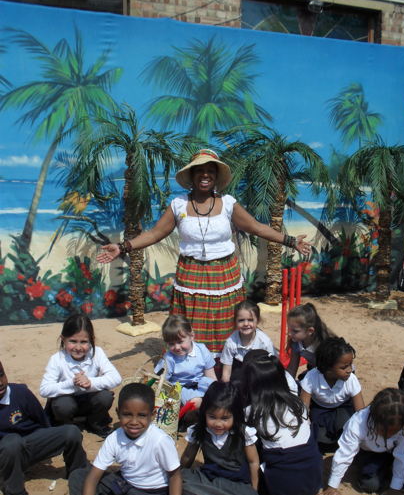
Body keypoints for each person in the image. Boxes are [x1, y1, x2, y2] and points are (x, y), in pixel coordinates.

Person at [97, 148, 311, 354]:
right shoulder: (178, 204)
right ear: (192, 175)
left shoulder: (228, 204)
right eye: (200, 170)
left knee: (225, 319)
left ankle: (226, 361)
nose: (205, 175)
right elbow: (154, 234)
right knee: (192, 320)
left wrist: (291, 241)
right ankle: (192, 361)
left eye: (210, 170)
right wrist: (122, 247)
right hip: (190, 274)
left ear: (216, 176)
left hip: (224, 273)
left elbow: (256, 227)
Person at [68, 382, 198, 495]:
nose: (134, 422)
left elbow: (175, 476)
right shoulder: (114, 438)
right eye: (127, 415)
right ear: (118, 413)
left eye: (142, 415)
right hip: (124, 484)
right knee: (79, 476)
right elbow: (93, 477)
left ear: (152, 415)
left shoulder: (160, 441)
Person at [241, 350, 322, 495]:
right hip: (313, 480)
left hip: (281, 492)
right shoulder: (297, 403)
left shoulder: (252, 411)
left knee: (245, 445)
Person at [0, 360, 87, 495]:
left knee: (70, 432)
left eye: (1, 375)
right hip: (5, 455)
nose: (0, 382)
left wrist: (46, 442)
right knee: (11, 442)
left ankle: (78, 473)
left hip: (28, 446)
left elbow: (41, 420)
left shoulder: (20, 393)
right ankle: (15, 492)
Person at [319, 388, 404, 495]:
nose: (389, 435)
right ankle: (386, 469)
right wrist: (333, 485)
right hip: (369, 452)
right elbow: (345, 454)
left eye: (394, 431)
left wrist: (396, 487)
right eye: (385, 431)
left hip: (392, 450)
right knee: (370, 485)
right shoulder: (358, 422)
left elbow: (403, 456)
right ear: (374, 419)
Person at [180, 381, 262, 495]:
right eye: (212, 417)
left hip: (235, 484)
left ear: (235, 415)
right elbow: (188, 456)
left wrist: (254, 490)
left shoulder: (244, 433)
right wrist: (179, 476)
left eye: (225, 418)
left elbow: (253, 462)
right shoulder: (198, 430)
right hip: (208, 478)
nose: (218, 424)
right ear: (205, 413)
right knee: (178, 484)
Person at [40, 314, 121, 438]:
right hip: (66, 404)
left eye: (84, 342)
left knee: (105, 396)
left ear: (91, 340)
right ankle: (67, 428)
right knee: (63, 405)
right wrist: (72, 383)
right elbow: (44, 390)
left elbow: (116, 378)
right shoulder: (57, 360)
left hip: (88, 401)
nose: (78, 347)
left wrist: (91, 383)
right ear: (63, 339)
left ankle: (95, 423)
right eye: (72, 341)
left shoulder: (97, 353)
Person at [299, 337, 365, 450]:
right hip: (319, 409)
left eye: (350, 364)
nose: (349, 370)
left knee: (348, 427)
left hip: (342, 407)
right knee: (317, 436)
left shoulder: (351, 379)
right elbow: (303, 410)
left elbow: (361, 413)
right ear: (327, 368)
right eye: (344, 367)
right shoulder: (311, 377)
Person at [155, 314, 217, 407]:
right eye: (171, 344)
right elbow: (161, 382)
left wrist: (216, 390)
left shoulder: (201, 349)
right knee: (195, 402)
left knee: (217, 391)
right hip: (180, 389)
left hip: (200, 385)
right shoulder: (169, 358)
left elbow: (211, 375)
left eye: (180, 342)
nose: (177, 347)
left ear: (191, 336)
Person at [220, 300, 276, 383]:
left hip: (259, 378)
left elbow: (272, 368)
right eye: (241, 320)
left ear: (258, 320)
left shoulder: (264, 342)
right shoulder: (231, 342)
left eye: (250, 320)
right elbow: (226, 374)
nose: (246, 324)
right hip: (238, 379)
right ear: (235, 321)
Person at [286, 303, 334, 379]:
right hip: (316, 370)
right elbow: (292, 368)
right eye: (289, 329)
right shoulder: (296, 342)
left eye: (295, 331)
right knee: (302, 379)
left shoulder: (323, 345)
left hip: (333, 374)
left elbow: (332, 371)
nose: (289, 334)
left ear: (310, 331)